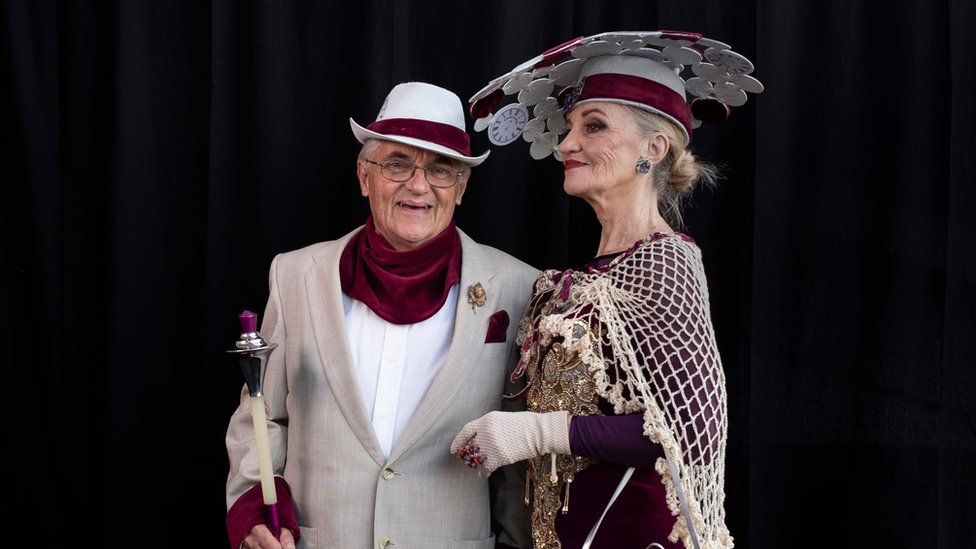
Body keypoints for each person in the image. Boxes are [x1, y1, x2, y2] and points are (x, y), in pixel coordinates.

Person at [452, 32, 762, 549]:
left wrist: (536, 432)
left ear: (653, 149)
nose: (568, 143)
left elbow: (690, 431)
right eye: (571, 127)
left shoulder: (664, 265)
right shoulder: (597, 274)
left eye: (593, 127)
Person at [225, 82, 538, 549]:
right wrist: (255, 506)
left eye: (441, 169)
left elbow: (521, 459)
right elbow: (261, 415)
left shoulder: (518, 288)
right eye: (397, 163)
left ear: (461, 188)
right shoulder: (295, 276)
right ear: (364, 176)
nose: (418, 185)